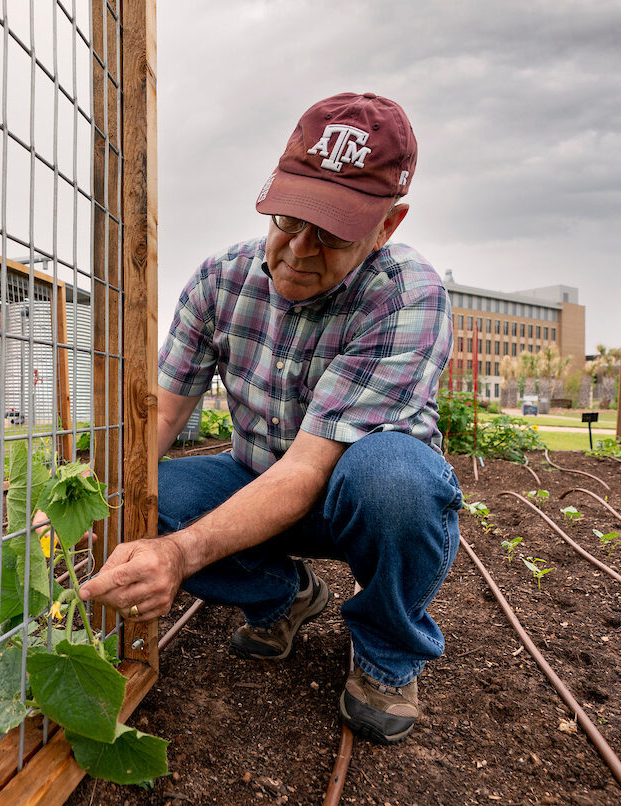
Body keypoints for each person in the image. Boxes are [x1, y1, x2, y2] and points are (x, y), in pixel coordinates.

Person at [78, 92, 462, 745]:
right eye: (289, 218)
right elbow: (161, 415)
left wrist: (179, 555)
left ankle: (386, 656)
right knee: (146, 501)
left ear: (387, 226)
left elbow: (312, 470)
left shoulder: (406, 296)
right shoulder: (219, 281)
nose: (299, 250)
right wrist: (82, 499)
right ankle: (285, 596)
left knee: (400, 483)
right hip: (256, 476)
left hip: (353, 492)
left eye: (334, 234)